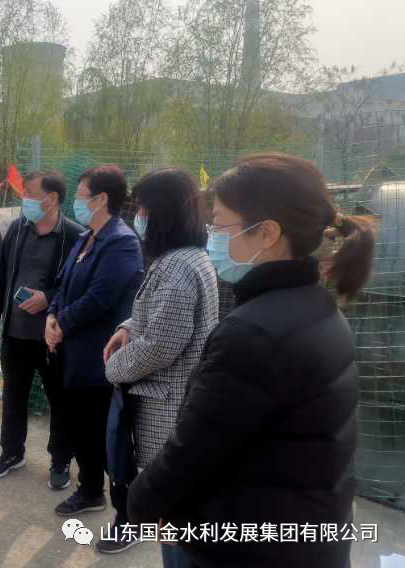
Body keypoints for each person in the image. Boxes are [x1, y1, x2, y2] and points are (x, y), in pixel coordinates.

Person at [127, 153, 375, 568]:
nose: (212, 236)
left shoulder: (253, 334)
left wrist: (141, 503)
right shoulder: (318, 306)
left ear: (267, 233)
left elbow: (194, 452)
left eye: (220, 223)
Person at [98, 168, 219, 555]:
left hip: (167, 401)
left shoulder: (177, 267)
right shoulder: (188, 258)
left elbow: (161, 345)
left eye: (142, 207)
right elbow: (157, 315)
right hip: (176, 394)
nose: (139, 216)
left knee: (170, 506)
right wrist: (127, 327)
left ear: (161, 211)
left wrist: (114, 369)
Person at [45, 164, 144, 517]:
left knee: (105, 435)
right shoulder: (86, 238)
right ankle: (89, 491)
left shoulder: (121, 242)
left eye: (80, 194)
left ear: (101, 199)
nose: (76, 201)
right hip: (73, 353)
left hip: (99, 357)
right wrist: (52, 316)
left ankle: (128, 510)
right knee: (81, 428)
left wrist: (62, 324)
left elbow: (101, 297)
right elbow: (63, 285)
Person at [0, 170, 84, 488]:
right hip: (15, 333)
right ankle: (11, 453)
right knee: (13, 397)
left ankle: (60, 460)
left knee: (60, 400)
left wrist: (48, 298)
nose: (24, 199)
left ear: (51, 199)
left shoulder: (74, 236)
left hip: (53, 337)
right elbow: (2, 273)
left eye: (29, 193)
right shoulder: (17, 229)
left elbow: (80, 287)